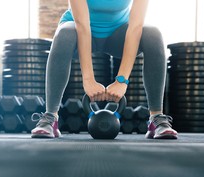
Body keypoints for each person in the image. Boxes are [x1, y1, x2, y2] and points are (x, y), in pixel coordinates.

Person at [31, 0, 178, 139]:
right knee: (64, 32)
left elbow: (135, 27)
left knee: (153, 34)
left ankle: (156, 118)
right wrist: (88, 79)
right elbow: (82, 25)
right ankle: (51, 117)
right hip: (79, 30)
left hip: (118, 34)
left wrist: (122, 80)